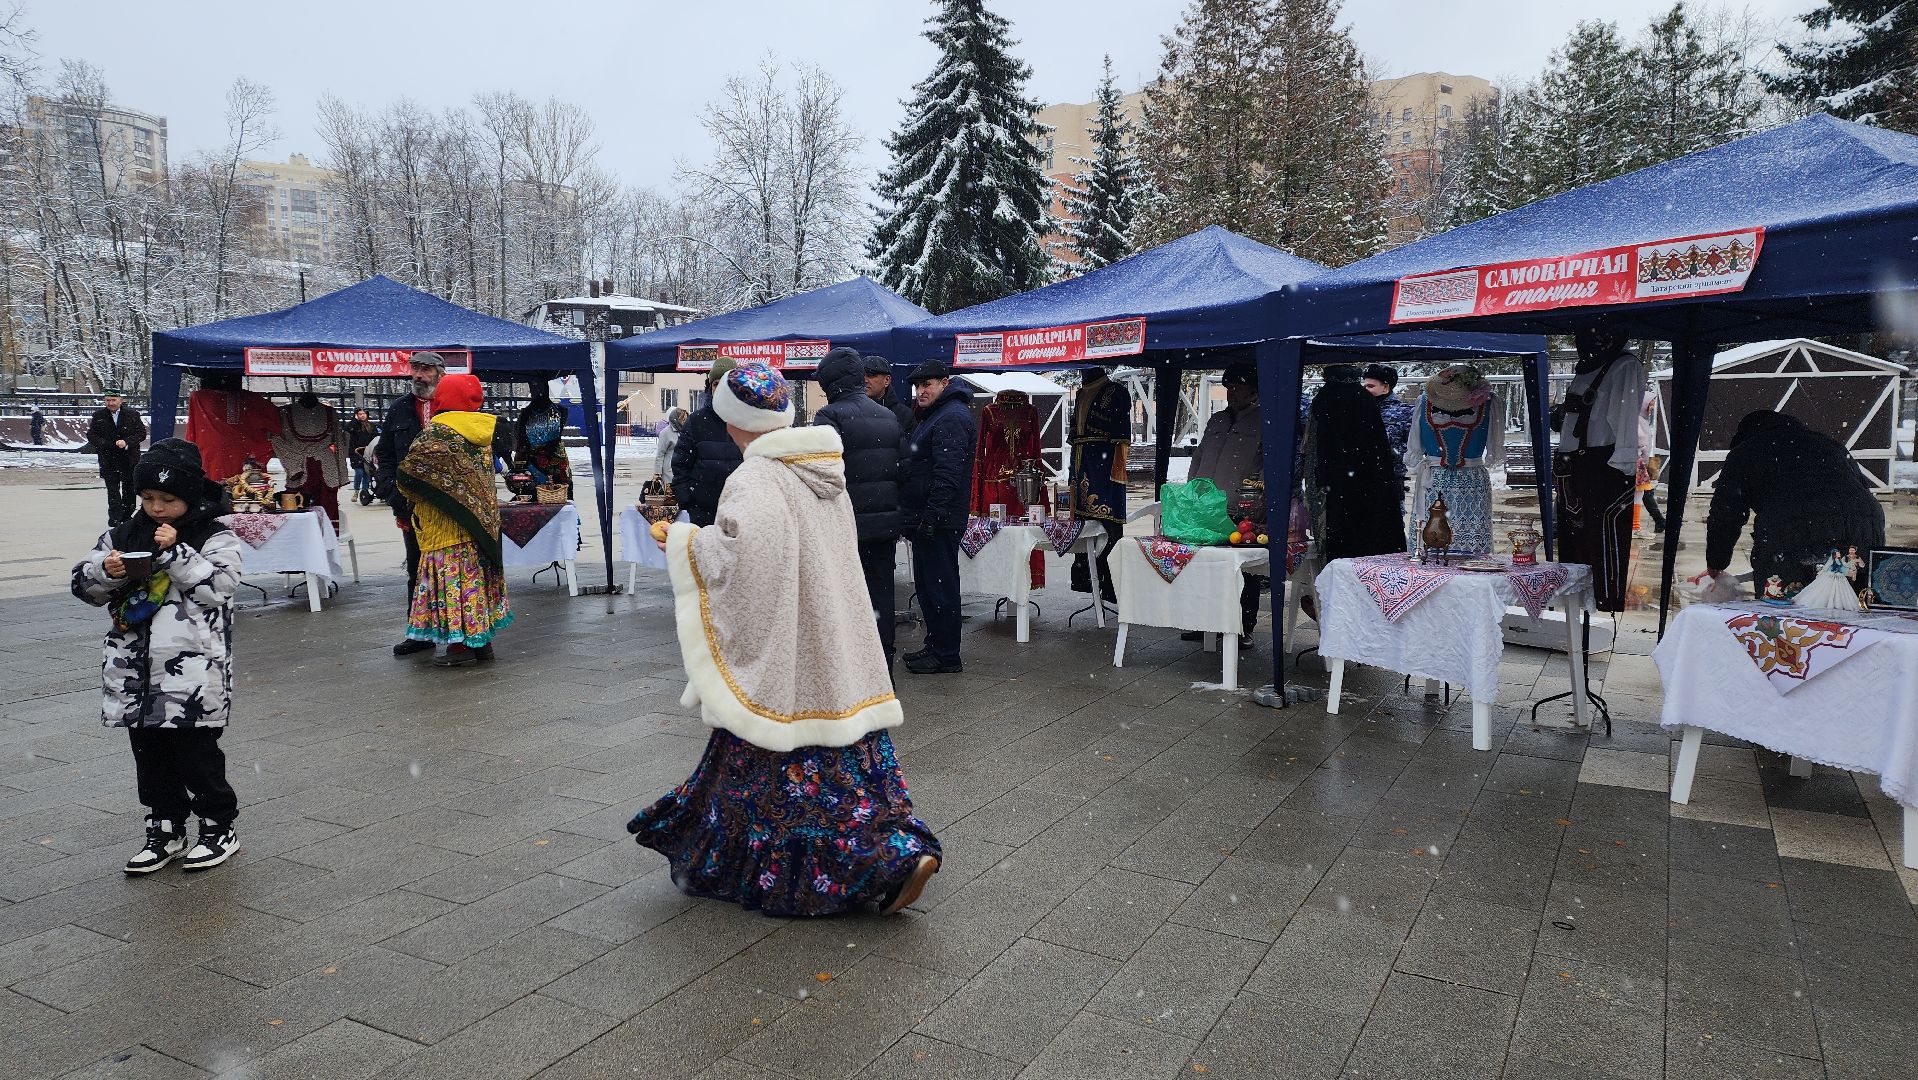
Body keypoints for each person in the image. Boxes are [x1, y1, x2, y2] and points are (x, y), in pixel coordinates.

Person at [632, 362, 940, 916]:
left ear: (736, 420)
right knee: (849, 762)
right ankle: (896, 846)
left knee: (784, 775)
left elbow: (746, 561)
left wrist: (683, 542)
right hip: (835, 645)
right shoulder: (823, 469)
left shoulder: (754, 478)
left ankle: (871, 864)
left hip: (790, 652)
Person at [70, 439, 246, 874]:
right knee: (150, 758)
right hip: (134, 671)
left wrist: (176, 554)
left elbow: (219, 589)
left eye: (168, 499)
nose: (157, 508)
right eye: (148, 498)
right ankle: (165, 826)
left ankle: (217, 825)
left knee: (197, 755)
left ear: (189, 496)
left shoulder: (214, 535)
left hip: (192, 674)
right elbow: (83, 587)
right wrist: (103, 572)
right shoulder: (122, 535)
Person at [1704, 410, 1885, 597]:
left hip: (1792, 530)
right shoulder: (1829, 445)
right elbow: (1862, 489)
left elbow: (1726, 514)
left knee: (1785, 607)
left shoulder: (1745, 452)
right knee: (1854, 600)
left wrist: (1717, 563)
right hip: (1864, 526)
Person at [398, 374, 512, 668]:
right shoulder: (480, 432)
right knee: (472, 585)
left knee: (453, 588)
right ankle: (481, 644)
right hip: (478, 525)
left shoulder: (437, 435)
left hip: (444, 529)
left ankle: (460, 647)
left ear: (442, 398)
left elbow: (408, 478)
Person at [813, 347, 907, 669]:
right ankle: (884, 668)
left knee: (847, 600)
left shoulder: (829, 417)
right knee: (881, 595)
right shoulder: (888, 416)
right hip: (884, 525)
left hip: (846, 525)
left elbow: (824, 476)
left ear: (830, 384)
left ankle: (856, 671)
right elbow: (900, 469)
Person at [1554, 328, 1642, 612]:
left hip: (1601, 468)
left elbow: (1625, 420)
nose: (1581, 341)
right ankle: (1572, 607)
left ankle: (1603, 605)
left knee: (1604, 542)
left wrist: (1623, 470)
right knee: (1572, 544)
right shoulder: (1587, 368)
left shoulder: (1624, 366)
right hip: (1571, 467)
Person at [900, 360, 977, 675]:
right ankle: (936, 645)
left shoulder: (952, 417)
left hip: (939, 519)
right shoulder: (939, 414)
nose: (920, 392)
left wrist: (932, 516)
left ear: (945, 383)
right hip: (930, 517)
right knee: (930, 587)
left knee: (940, 587)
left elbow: (948, 474)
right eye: (918, 386)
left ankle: (946, 654)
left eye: (926, 385)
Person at [1187, 361, 1265, 644]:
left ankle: (1244, 626)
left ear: (1254, 392)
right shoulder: (1217, 421)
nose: (1232, 392)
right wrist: (1192, 488)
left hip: (1242, 506)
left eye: (1239, 387)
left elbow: (1267, 466)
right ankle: (1205, 622)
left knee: (1243, 569)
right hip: (1207, 505)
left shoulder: (1263, 421)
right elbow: (1199, 456)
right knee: (1205, 564)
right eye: (1229, 386)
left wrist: (1255, 496)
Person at [376, 351, 446, 656]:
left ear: (440, 373)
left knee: (453, 568)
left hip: (449, 507)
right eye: (415, 368)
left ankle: (462, 632)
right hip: (411, 507)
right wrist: (391, 490)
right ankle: (419, 632)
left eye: (426, 369)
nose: (419, 375)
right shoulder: (399, 409)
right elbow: (386, 455)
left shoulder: (453, 405)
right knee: (417, 569)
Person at [1406, 364, 1504, 555]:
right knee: (1431, 535)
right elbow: (1415, 447)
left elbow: (1494, 448)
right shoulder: (1423, 403)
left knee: (1469, 541)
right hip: (1433, 481)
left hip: (1471, 483)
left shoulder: (1490, 404)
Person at [1306, 370, 1404, 561]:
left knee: (1340, 548)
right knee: (1371, 545)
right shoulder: (1364, 401)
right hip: (1371, 487)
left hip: (1335, 488)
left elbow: (1313, 451)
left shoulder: (1325, 398)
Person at [1069, 366, 1130, 601]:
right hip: (1080, 463)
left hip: (1103, 468)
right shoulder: (1081, 393)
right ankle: (1085, 577)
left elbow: (1122, 439)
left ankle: (1112, 583)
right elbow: (1075, 434)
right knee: (1081, 526)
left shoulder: (1116, 392)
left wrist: (1116, 475)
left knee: (1109, 524)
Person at [672, 357, 746, 527]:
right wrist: (687, 499)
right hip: (703, 514)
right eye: (716, 383)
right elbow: (680, 465)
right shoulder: (696, 422)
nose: (720, 389)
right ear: (709, 387)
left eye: (726, 384)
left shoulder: (746, 420)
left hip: (741, 511)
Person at [270, 392, 351, 529]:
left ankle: (326, 538)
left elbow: (339, 442)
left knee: (326, 506)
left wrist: (341, 473)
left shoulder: (330, 413)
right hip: (302, 468)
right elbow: (276, 440)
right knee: (297, 507)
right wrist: (294, 466)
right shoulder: (284, 413)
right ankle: (304, 538)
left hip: (325, 468)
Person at [184, 371, 281, 482]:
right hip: (246, 463)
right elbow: (281, 428)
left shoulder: (198, 398)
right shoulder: (253, 400)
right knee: (247, 494)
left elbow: (191, 436)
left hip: (212, 461)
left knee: (213, 494)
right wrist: (258, 453)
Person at [86, 388, 147, 528]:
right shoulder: (98, 416)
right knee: (112, 490)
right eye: (108, 400)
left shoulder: (132, 415)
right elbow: (91, 436)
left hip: (128, 458)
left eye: (113, 400)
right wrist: (105, 444)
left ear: (120, 400)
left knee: (129, 489)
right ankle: (114, 518)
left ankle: (127, 515)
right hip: (109, 459)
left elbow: (141, 433)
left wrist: (127, 442)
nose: (111, 403)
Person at [513, 383, 573, 499]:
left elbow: (519, 435)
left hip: (536, 458)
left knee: (540, 493)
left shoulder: (526, 413)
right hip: (551, 458)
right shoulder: (560, 411)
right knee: (556, 492)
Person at [865, 354, 915, 435]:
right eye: (861, 375)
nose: (865, 380)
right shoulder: (850, 411)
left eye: (871, 375)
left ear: (887, 380)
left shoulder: (904, 415)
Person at [347, 408, 379, 505]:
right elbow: (347, 428)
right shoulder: (353, 425)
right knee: (359, 472)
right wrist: (355, 420)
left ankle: (364, 490)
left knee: (367, 473)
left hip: (368, 452)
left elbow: (376, 437)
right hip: (356, 452)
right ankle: (356, 490)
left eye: (364, 414)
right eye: (360, 414)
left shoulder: (371, 426)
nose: (362, 415)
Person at [654, 407, 688, 488]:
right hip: (669, 473)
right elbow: (660, 454)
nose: (685, 422)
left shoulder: (686, 432)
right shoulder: (665, 433)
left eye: (686, 420)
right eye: (683, 420)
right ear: (676, 419)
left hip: (683, 471)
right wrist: (657, 472)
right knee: (670, 497)